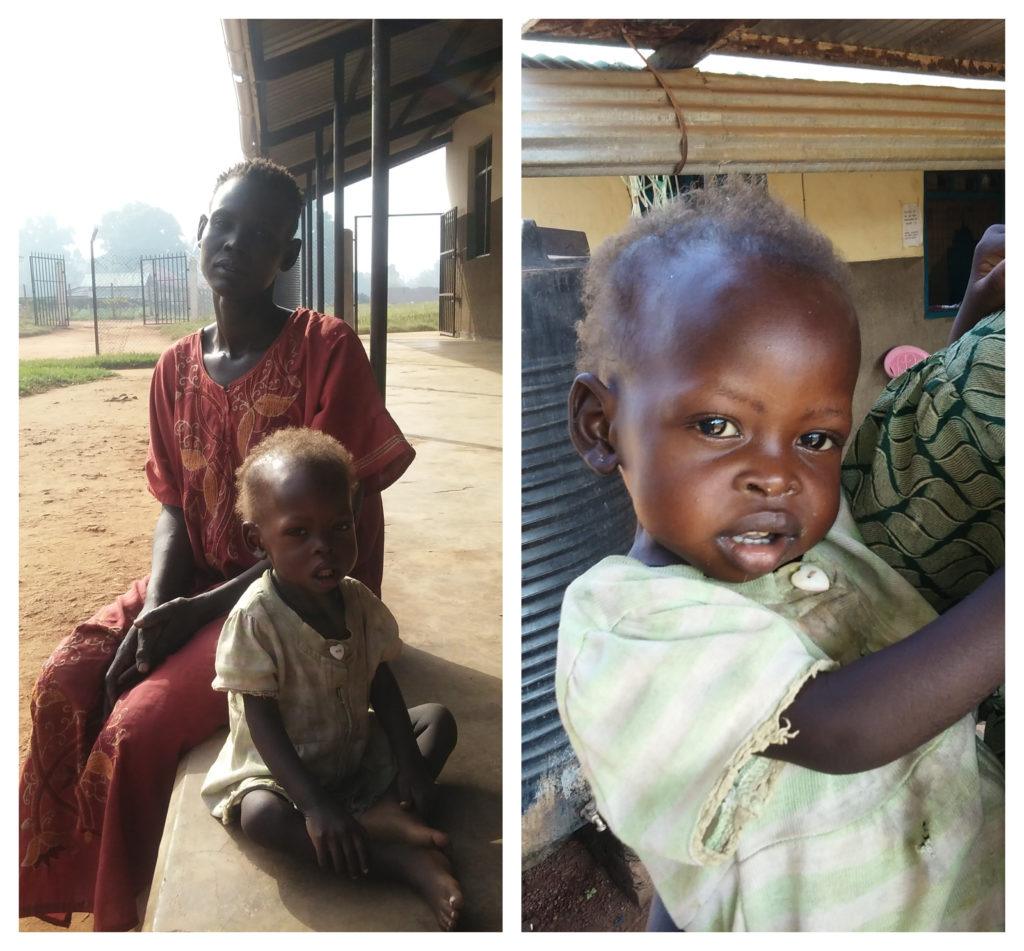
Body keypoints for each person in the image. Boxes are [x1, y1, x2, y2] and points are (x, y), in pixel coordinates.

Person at [557, 180, 1003, 931]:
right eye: (718, 424)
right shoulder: (621, 630)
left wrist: (973, 325)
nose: (778, 474)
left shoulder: (815, 536)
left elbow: (904, 486)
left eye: (816, 438)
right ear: (602, 428)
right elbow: (841, 728)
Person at [20, 158, 415, 931]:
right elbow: (173, 503)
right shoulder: (172, 367)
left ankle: (124, 910)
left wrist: (192, 614)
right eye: (224, 225)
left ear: (287, 256)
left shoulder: (325, 349)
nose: (236, 243)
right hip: (196, 579)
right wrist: (161, 607)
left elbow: (321, 529)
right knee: (64, 685)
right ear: (201, 233)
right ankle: (60, 885)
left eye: (261, 234)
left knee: (133, 729)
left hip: (295, 599)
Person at [200, 427, 461, 930]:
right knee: (260, 817)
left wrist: (408, 761)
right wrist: (314, 804)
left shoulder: (359, 602)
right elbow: (261, 721)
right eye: (299, 533)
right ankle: (398, 860)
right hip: (286, 775)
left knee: (436, 722)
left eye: (340, 528)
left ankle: (375, 812)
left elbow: (380, 680)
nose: (325, 547)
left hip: (350, 753)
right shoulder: (256, 620)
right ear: (259, 541)